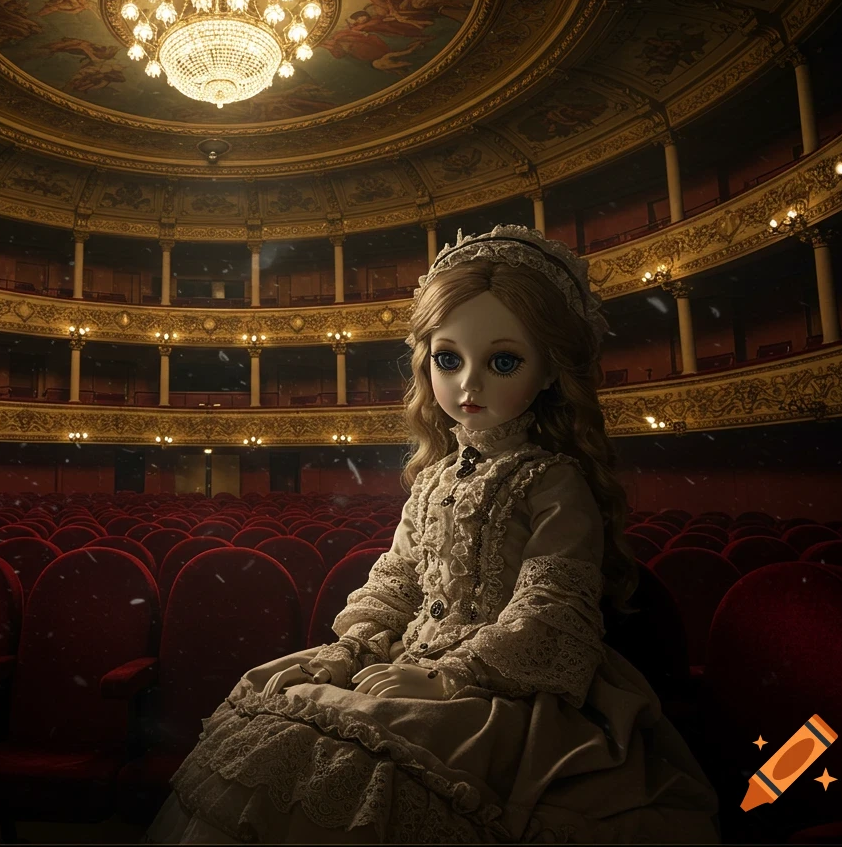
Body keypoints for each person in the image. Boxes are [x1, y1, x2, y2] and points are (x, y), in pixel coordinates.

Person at [146, 225, 722, 843]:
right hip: (411, 659)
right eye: (449, 359)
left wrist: (448, 676)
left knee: (356, 756)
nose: (469, 384)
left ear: (552, 369)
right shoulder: (432, 480)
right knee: (280, 720)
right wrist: (353, 650)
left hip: (505, 688)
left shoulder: (553, 480)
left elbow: (552, 610)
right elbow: (395, 582)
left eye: (504, 361)